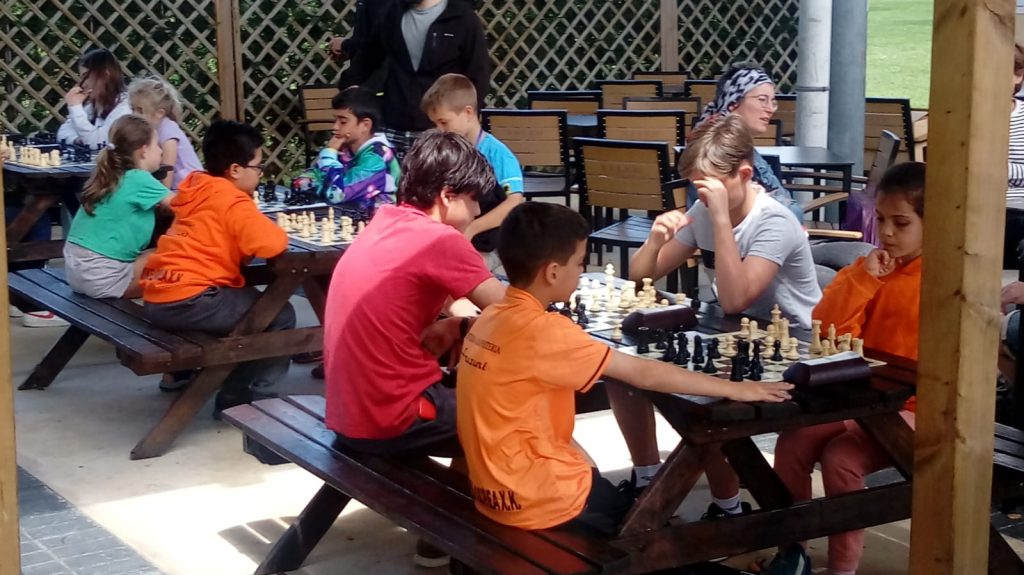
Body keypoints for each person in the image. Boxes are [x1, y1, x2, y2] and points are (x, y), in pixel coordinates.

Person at [457, 201, 793, 534]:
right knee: (648, 533)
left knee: (619, 497)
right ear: (553, 272)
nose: (581, 271)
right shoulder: (545, 331)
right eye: (580, 262)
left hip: (494, 493)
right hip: (543, 501)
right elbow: (643, 373)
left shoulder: (491, 316)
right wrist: (735, 388)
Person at [611, 115, 820, 518]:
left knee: (703, 399)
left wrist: (722, 220)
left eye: (709, 186)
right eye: (695, 185)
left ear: (744, 174)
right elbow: (640, 279)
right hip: (732, 337)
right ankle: (646, 480)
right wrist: (654, 241)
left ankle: (728, 507)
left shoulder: (774, 222)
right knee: (622, 372)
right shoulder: (705, 211)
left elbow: (736, 300)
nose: (701, 195)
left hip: (792, 348)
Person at [323, 130, 504, 567]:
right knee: (509, 414)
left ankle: (444, 529)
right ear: (447, 195)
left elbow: (451, 299)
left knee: (476, 394)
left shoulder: (385, 220)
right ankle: (463, 535)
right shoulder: (440, 240)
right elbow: (516, 313)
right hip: (391, 416)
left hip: (347, 410)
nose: (478, 212)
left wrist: (460, 323)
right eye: (473, 200)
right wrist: (467, 324)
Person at [769, 162, 926, 575]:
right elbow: (827, 329)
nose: (886, 232)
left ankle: (843, 568)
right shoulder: (870, 268)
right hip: (861, 399)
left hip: (916, 408)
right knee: (794, 442)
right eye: (881, 219)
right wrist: (863, 281)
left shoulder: (943, 282)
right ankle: (792, 553)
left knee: (841, 457)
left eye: (901, 223)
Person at [140, 120, 295, 411]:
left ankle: (235, 396)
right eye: (258, 167)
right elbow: (272, 244)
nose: (260, 174)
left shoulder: (197, 187)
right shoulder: (232, 200)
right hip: (192, 300)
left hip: (157, 295)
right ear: (235, 170)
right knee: (278, 314)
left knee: (252, 310)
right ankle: (255, 402)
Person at [345, 0, 491, 157]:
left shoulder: (462, 17)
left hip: (439, 129)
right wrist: (349, 89)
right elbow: (369, 55)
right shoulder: (392, 12)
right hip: (394, 124)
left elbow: (478, 75)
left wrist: (464, 123)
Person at [422, 73, 523, 270]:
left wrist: (472, 229)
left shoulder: (498, 154)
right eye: (436, 124)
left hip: (490, 245)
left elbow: (514, 203)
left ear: (468, 112)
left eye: (444, 122)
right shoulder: (446, 152)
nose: (440, 130)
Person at [64, 115, 171, 299]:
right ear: (143, 150)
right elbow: (185, 206)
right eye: (157, 145)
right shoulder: (139, 178)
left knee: (153, 254)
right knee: (175, 258)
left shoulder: (109, 176)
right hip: (103, 278)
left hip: (77, 274)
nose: (161, 151)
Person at [691, 62, 801, 221]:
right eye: (762, 100)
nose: (770, 109)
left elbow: (790, 211)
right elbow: (789, 212)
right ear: (733, 103)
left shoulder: (744, 147)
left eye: (773, 101)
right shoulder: (714, 151)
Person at [295, 87, 399, 214]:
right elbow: (301, 183)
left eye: (343, 122)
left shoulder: (378, 157)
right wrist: (325, 185)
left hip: (376, 223)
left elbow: (336, 194)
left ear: (365, 125)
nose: (335, 127)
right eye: (335, 120)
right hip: (343, 217)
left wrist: (328, 155)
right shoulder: (344, 149)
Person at [128, 76, 202, 190]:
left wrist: (163, 194)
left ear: (159, 113)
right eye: (132, 109)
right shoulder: (152, 130)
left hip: (192, 187)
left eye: (140, 111)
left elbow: (167, 168)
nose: (134, 115)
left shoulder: (168, 129)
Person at [57, 48, 132, 147]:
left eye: (86, 76)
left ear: (106, 74)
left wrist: (75, 107)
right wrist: (78, 140)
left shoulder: (125, 107)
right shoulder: (94, 106)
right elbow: (63, 132)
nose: (83, 84)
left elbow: (99, 143)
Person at [1005, 44, 1024, 270]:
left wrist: (1001, 170)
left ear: (1018, 75)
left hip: (1018, 206)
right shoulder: (966, 116)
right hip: (972, 204)